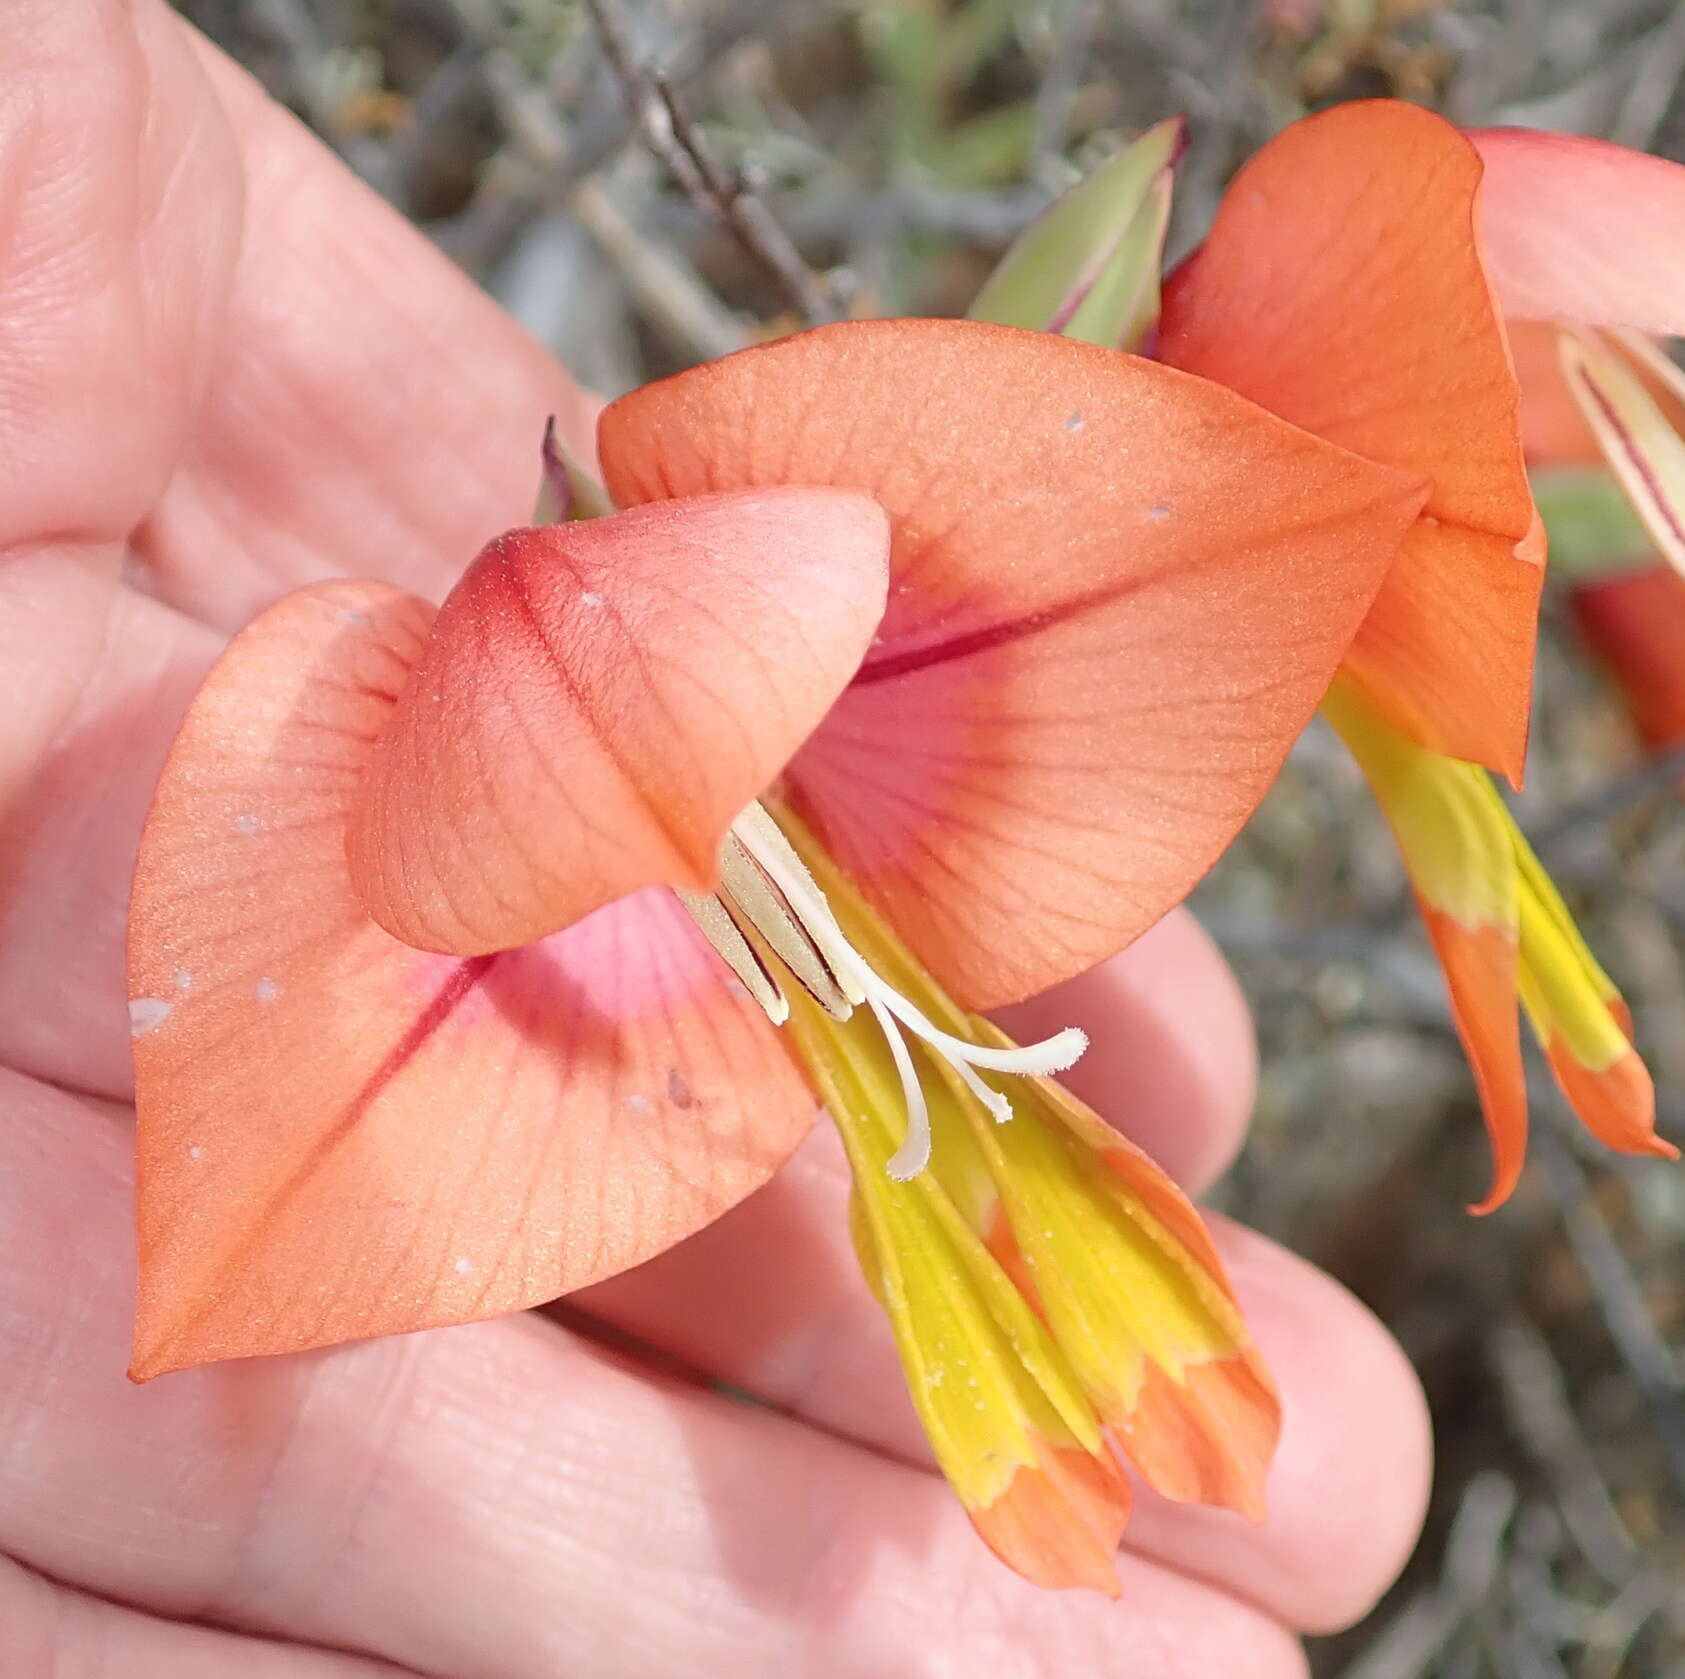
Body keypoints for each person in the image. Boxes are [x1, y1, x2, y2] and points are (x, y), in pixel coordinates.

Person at [0, 3, 1430, 1671]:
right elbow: (281, 1197)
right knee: (911, 1066)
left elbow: (1206, 550)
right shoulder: (517, 685)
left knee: (914, 1066)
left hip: (690, 764)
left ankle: (1111, 1395)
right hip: (646, 762)